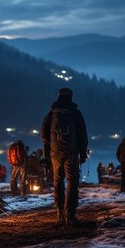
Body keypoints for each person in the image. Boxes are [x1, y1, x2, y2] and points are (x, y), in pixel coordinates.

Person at [41, 87, 88, 225]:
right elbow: (82, 135)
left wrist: (51, 149)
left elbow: (43, 135)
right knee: (72, 183)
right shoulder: (76, 113)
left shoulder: (51, 114)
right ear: (70, 97)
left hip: (55, 153)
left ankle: (59, 212)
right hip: (72, 152)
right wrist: (83, 153)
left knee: (57, 181)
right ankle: (70, 214)